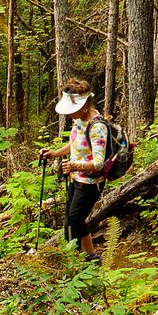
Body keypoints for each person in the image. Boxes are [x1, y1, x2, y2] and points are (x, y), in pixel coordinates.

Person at [37, 76, 109, 261]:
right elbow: (75, 144)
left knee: (75, 220)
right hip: (76, 179)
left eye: (72, 110)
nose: (69, 115)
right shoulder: (79, 120)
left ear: (84, 105)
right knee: (70, 222)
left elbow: (99, 162)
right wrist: (54, 153)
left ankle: (83, 258)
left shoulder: (97, 127)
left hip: (91, 183)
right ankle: (85, 257)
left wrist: (74, 165)